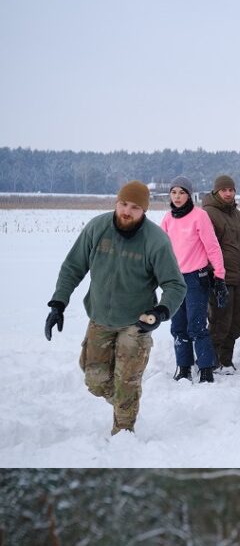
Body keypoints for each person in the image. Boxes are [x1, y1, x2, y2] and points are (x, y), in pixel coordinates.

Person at [45, 181, 186, 434]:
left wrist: (160, 312)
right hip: (100, 318)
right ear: (116, 202)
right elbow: (72, 267)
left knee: (126, 382)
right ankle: (125, 400)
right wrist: (58, 302)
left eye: (134, 207)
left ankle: (123, 434)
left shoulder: (156, 241)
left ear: (144, 210)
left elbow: (175, 285)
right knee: (95, 380)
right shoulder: (97, 228)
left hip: (137, 323)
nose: (126, 211)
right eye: (122, 204)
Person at [160, 176, 227, 383]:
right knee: (178, 327)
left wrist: (220, 276)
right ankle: (184, 367)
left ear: (189, 195)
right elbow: (161, 251)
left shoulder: (200, 216)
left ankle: (206, 368)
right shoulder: (167, 219)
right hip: (173, 281)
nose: (177, 197)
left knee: (196, 326)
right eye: (174, 192)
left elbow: (212, 247)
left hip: (195, 279)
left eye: (182, 193)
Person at [202, 175, 240, 372]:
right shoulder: (208, 214)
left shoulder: (238, 215)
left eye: (231, 190)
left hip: (236, 276)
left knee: (238, 323)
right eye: (224, 190)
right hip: (218, 278)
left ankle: (225, 359)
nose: (228, 193)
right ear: (216, 192)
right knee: (220, 323)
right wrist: (213, 274)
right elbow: (206, 246)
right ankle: (212, 362)